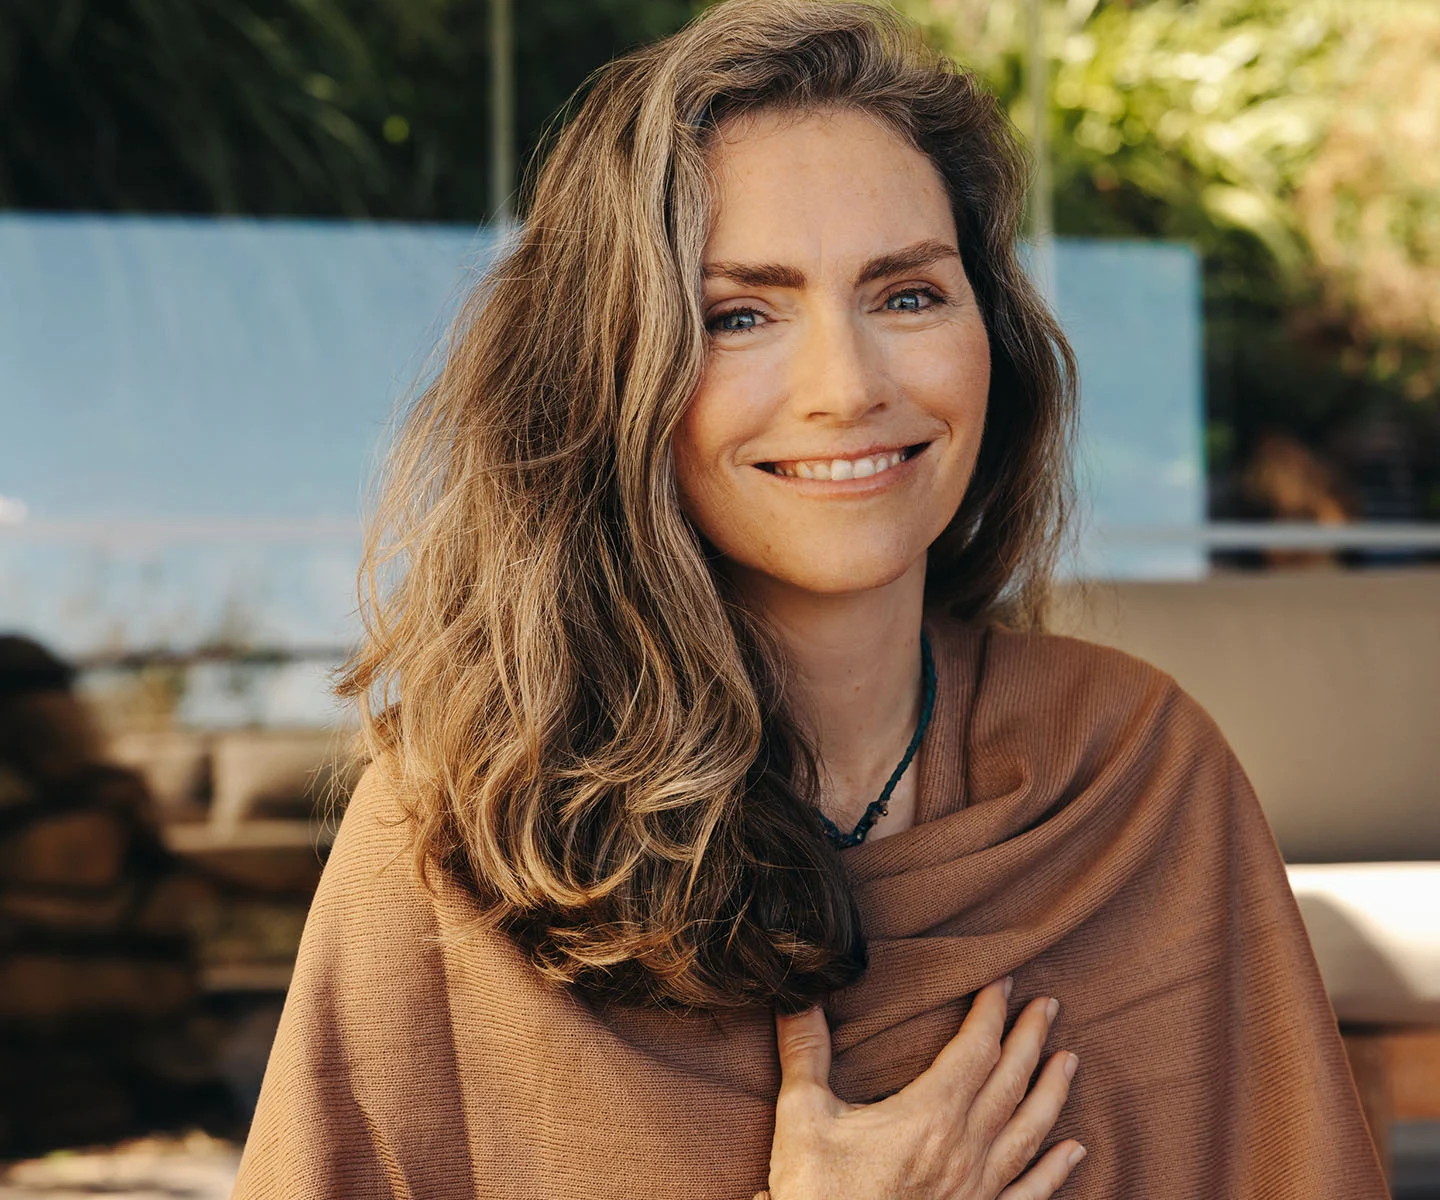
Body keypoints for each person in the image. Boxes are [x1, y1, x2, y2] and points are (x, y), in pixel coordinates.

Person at [233, 2, 1388, 1196]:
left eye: (908, 296)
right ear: (610, 372)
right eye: (741, 314)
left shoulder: (1135, 771)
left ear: (991, 330)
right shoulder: (455, 823)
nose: (847, 387)